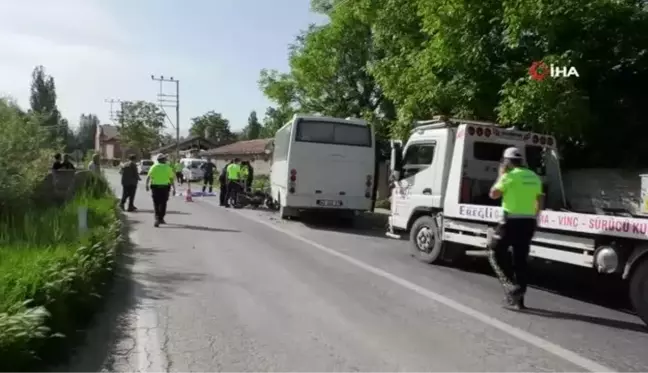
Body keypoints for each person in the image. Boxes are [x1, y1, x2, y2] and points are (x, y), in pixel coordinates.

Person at [488, 147, 543, 310]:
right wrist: (535, 218)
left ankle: (512, 286)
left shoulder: (508, 176)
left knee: (494, 251)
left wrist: (501, 175)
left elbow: (493, 194)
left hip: (510, 222)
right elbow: (539, 200)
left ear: (507, 161)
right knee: (520, 259)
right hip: (528, 222)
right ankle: (519, 301)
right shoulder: (534, 176)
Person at [145, 153, 176, 227]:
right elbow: (171, 179)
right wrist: (174, 188)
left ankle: (157, 218)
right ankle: (160, 218)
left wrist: (146, 185)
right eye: (165, 159)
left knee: (156, 203)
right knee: (163, 203)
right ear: (163, 160)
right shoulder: (168, 168)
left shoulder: (153, 167)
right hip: (165, 188)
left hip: (155, 187)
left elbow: (148, 177)